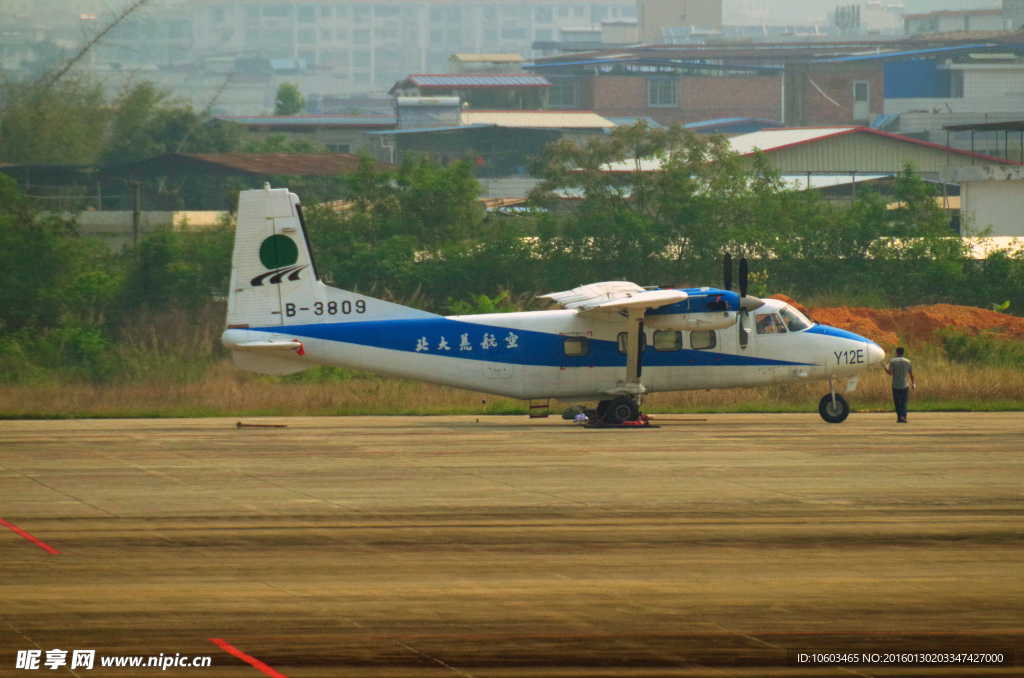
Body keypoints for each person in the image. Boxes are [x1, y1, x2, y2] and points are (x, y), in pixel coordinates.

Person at [884, 347, 915, 423]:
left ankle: (899, 417)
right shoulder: (907, 361)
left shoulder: (893, 361)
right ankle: (903, 417)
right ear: (903, 353)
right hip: (905, 384)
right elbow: (911, 374)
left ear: (896, 353)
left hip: (895, 385)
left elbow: (890, 373)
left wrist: (885, 367)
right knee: (904, 401)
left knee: (897, 401)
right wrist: (913, 383)